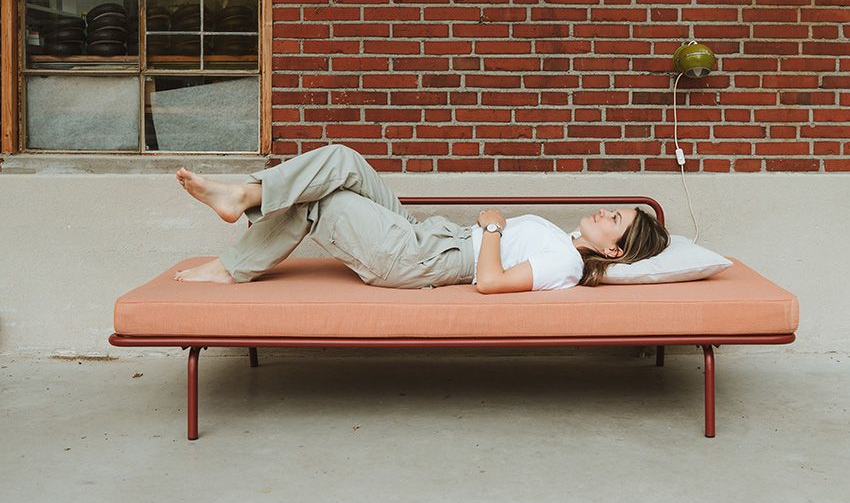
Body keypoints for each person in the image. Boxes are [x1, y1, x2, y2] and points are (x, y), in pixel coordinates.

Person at [174, 143, 669, 293]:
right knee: (343, 161)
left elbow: (491, 283)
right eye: (614, 209)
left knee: (320, 202)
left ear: (613, 250)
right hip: (425, 235)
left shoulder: (565, 263)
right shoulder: (563, 241)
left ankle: (233, 261)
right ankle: (243, 195)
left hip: (421, 257)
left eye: (615, 218)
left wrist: (494, 224)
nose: (605, 211)